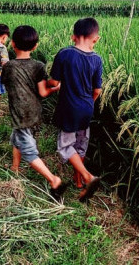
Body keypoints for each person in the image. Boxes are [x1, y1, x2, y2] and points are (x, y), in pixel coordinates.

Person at [1, 25, 66, 201]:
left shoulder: (9, 67)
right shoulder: (38, 66)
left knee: (29, 151)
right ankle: (15, 168)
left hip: (20, 113)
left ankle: (54, 179)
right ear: (36, 46)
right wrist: (57, 88)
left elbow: (5, 84)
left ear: (12, 44)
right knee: (18, 137)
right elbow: (44, 92)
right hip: (35, 111)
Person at [49, 17, 103, 202]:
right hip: (87, 108)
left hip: (69, 108)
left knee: (65, 145)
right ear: (96, 39)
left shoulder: (64, 54)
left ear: (73, 36)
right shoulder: (97, 59)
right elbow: (97, 90)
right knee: (81, 144)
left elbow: (54, 82)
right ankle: (78, 181)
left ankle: (88, 177)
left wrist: (52, 85)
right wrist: (89, 102)